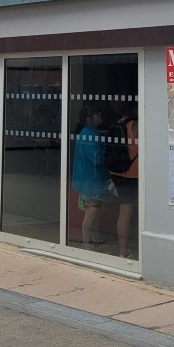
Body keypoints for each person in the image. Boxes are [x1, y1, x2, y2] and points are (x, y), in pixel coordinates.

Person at [70, 103, 109, 249]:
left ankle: (95, 239)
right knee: (91, 213)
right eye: (97, 114)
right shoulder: (90, 135)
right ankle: (87, 242)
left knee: (96, 212)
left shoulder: (87, 132)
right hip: (91, 182)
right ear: (89, 118)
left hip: (88, 181)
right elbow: (96, 159)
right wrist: (107, 147)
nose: (100, 116)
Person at [108, 106, 139, 259]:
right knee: (136, 212)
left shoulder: (116, 125)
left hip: (118, 173)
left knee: (124, 212)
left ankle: (123, 250)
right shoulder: (135, 125)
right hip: (135, 174)